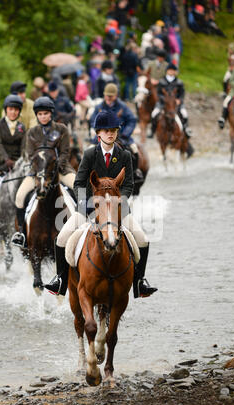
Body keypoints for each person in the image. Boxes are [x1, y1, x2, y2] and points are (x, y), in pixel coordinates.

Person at [44, 110, 158, 299]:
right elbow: (79, 183)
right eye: (106, 131)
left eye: (113, 130)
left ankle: (140, 282)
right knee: (62, 237)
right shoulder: (89, 155)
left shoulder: (125, 155)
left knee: (142, 238)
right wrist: (89, 204)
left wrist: (118, 202)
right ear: (98, 134)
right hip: (89, 207)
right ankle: (60, 280)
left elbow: (129, 184)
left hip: (117, 209)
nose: (110, 133)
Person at [11, 96, 76, 247]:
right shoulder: (32, 133)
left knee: (81, 188)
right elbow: (29, 155)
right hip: (38, 172)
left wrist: (54, 167)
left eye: (45, 113)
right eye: (40, 114)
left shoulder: (62, 129)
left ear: (51, 114)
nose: (43, 117)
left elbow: (66, 152)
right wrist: (40, 170)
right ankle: (21, 232)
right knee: (20, 196)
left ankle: (87, 226)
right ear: (37, 115)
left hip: (60, 170)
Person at [0, 95, 26, 225]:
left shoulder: (22, 127)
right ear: (6, 110)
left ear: (19, 111)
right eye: (10, 109)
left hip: (17, 163)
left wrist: (19, 162)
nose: (13, 112)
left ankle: (24, 214)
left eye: (16, 110)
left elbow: (24, 147)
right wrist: (6, 159)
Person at [89, 83, 141, 178]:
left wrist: (126, 134)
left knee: (134, 149)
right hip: (102, 136)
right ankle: (87, 173)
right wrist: (97, 130)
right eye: (106, 96)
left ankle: (135, 171)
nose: (108, 98)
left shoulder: (123, 107)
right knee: (88, 150)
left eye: (111, 96)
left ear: (116, 96)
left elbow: (132, 120)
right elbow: (93, 120)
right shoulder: (98, 107)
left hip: (121, 136)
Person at [150, 63, 192, 138]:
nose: (172, 72)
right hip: (163, 103)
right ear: (167, 71)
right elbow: (158, 93)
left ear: (175, 72)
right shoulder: (161, 82)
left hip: (176, 103)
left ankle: (186, 129)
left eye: (173, 71)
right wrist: (165, 100)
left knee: (184, 114)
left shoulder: (179, 82)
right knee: (154, 113)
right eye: (170, 70)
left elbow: (182, 93)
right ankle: (152, 130)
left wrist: (179, 100)